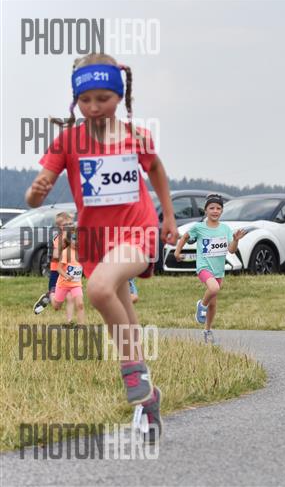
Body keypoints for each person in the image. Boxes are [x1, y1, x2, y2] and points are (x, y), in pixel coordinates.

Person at [25, 53, 178, 440]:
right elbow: (36, 193)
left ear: (119, 96)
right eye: (85, 99)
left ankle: (132, 370)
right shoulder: (68, 141)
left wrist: (169, 219)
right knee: (121, 305)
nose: (93, 107)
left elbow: (156, 169)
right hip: (97, 241)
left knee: (98, 289)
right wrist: (35, 193)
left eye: (103, 98)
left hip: (138, 230)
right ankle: (148, 399)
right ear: (75, 99)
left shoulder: (135, 137)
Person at [173, 194, 245, 344]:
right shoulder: (199, 227)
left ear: (222, 211)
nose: (215, 211)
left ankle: (207, 331)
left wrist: (235, 240)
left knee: (213, 304)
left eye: (218, 208)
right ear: (205, 210)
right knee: (213, 288)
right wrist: (177, 252)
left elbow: (231, 250)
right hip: (204, 267)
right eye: (211, 208)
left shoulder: (225, 229)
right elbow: (185, 237)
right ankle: (201, 305)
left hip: (218, 271)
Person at [33, 212, 72, 314]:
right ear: (59, 227)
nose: (68, 227)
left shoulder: (73, 237)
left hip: (68, 269)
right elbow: (56, 254)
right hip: (56, 270)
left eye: (70, 224)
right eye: (65, 225)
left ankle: (50, 296)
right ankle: (48, 296)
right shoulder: (57, 238)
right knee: (56, 298)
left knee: (66, 294)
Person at [52, 224, 85, 327]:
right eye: (74, 239)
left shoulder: (82, 252)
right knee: (56, 307)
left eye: (79, 239)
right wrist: (66, 276)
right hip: (63, 284)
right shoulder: (66, 253)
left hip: (76, 284)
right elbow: (59, 268)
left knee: (80, 304)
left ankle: (81, 325)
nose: (77, 242)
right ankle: (50, 295)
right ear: (69, 240)